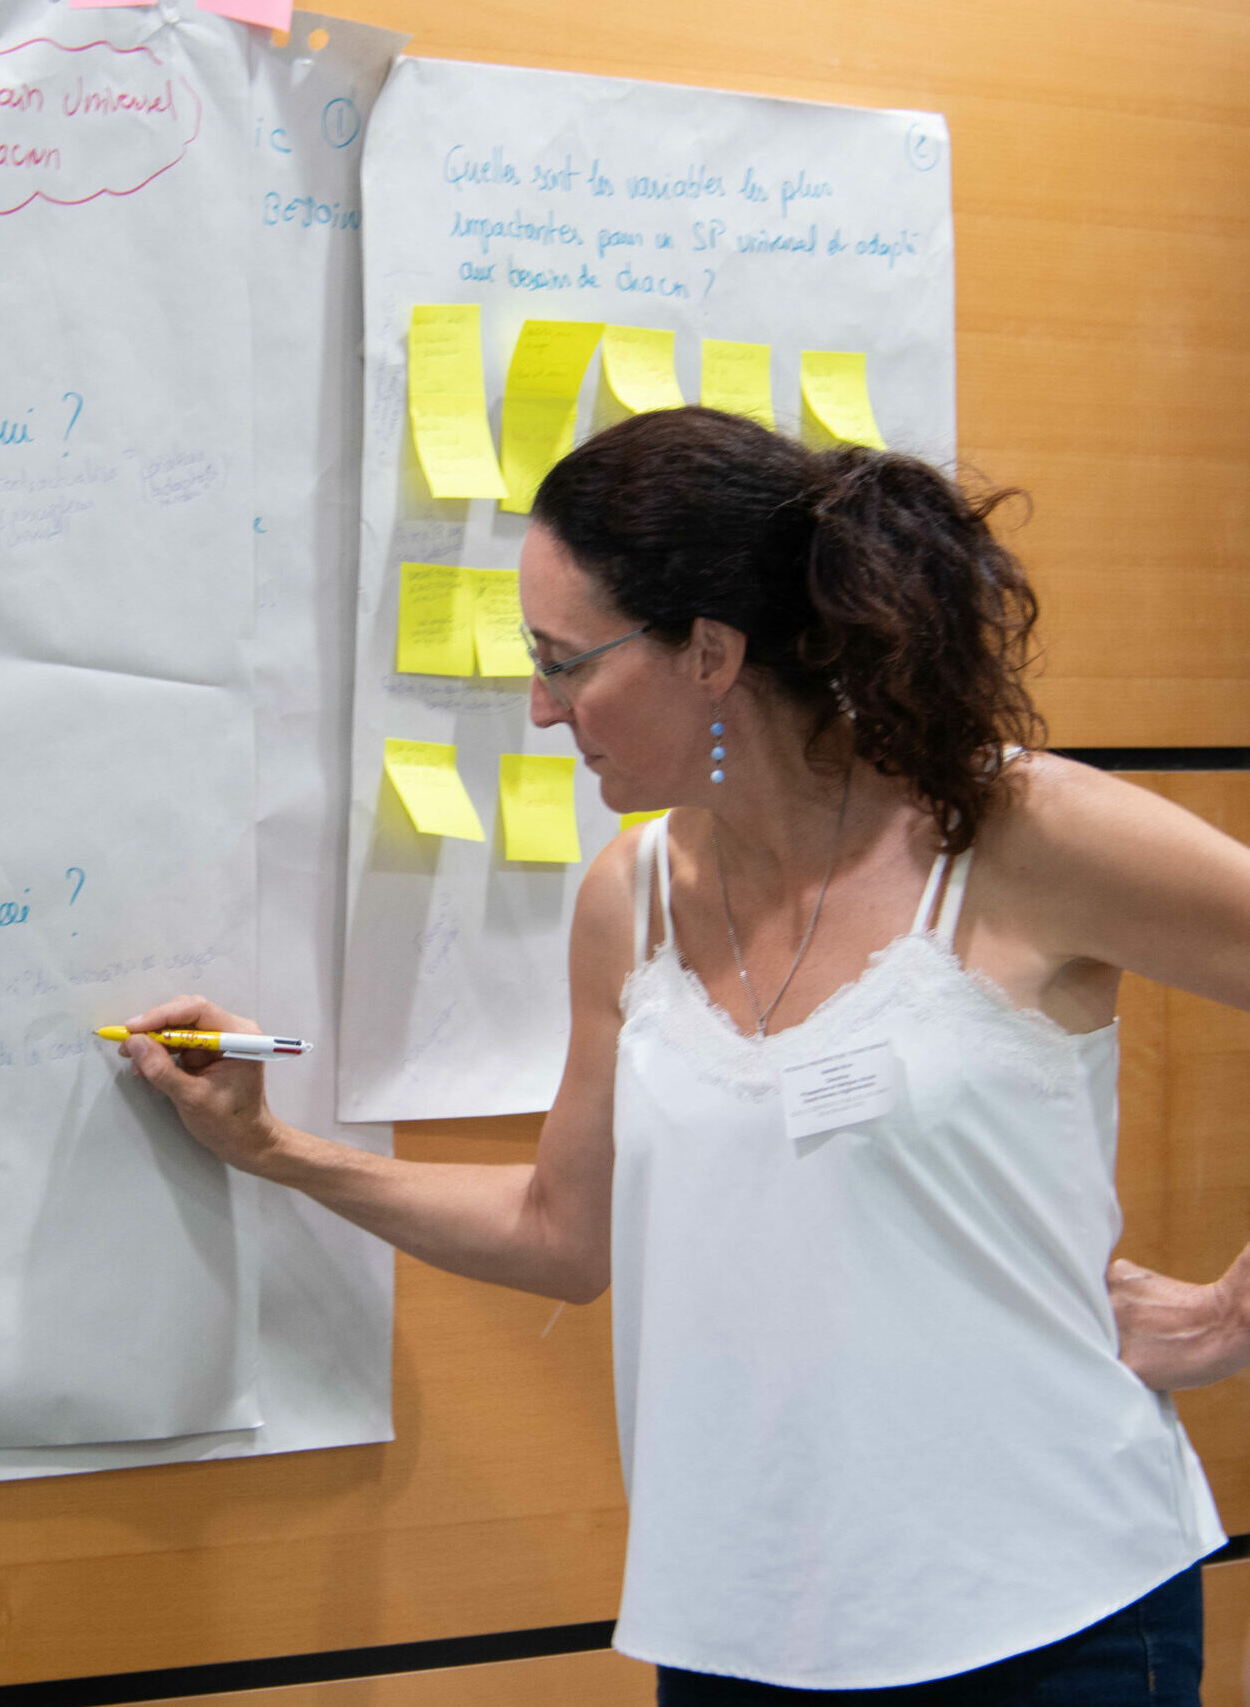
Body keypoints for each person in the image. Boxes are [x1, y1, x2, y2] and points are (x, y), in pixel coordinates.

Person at [114, 407, 1250, 1703]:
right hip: (740, 1630)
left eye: (566, 663)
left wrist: (1234, 1314)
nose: (542, 709)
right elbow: (563, 1235)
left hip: (1055, 1616)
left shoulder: (1017, 832)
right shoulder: (631, 897)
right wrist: (275, 1151)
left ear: (710, 652)